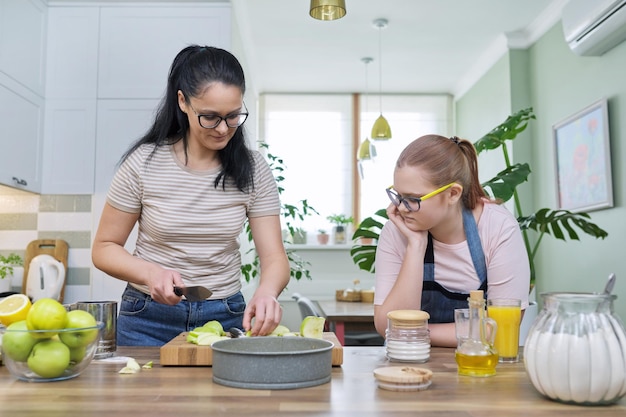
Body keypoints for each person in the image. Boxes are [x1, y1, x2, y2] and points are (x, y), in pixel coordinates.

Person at [92, 45, 290, 346]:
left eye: (233, 116)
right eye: (210, 117)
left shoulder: (254, 169)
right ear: (183, 102)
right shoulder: (143, 163)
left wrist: (266, 292)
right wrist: (150, 273)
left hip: (225, 317)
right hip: (147, 318)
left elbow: (274, 257)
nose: (224, 129)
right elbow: (104, 248)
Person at [373, 134, 530, 347]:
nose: (401, 208)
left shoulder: (498, 228)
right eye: (398, 196)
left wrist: (415, 331)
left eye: (412, 199)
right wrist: (416, 247)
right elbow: (386, 326)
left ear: (453, 194)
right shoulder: (396, 231)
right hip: (408, 364)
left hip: (479, 364)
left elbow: (502, 326)